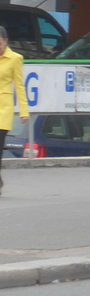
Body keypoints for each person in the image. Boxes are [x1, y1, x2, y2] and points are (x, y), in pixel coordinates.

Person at [0, 26, 31, 198]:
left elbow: (19, 85)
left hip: (3, 109)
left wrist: (24, 111)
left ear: (6, 41)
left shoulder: (15, 58)